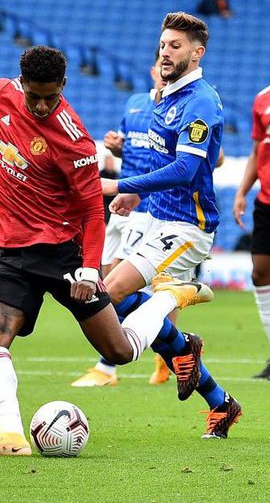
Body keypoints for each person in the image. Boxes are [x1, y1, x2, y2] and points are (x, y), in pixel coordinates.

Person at [0, 10, 215, 456]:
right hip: (12, 254)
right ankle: (9, 435)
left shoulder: (74, 141)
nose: (42, 106)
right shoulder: (4, 96)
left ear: (62, 87)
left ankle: (169, 297)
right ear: (21, 84)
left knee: (119, 352)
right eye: (35, 97)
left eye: (51, 97)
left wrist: (86, 269)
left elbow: (90, 211)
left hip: (62, 255)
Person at [101, 12, 240, 436]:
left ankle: (186, 296)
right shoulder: (166, 96)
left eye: (175, 46)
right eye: (163, 44)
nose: (165, 52)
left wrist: (117, 183)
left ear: (197, 54)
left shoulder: (199, 101)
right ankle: (218, 398)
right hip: (160, 220)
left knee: (109, 300)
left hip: (188, 229)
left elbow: (184, 170)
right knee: (109, 297)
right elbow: (164, 164)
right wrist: (136, 192)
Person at [75, 52, 171, 387]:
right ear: (152, 69)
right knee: (106, 277)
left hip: (148, 207)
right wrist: (116, 148)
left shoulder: (175, 110)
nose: (163, 70)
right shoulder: (134, 104)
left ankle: (107, 368)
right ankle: (171, 352)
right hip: (121, 206)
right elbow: (132, 152)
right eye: (160, 64)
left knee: (113, 283)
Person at [233, 34, 270, 380]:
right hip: (267, 202)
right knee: (261, 274)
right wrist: (241, 192)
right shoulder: (262, 100)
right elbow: (256, 151)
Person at [99, 154, 119, 224]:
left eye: (111, 162)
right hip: (103, 203)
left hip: (114, 202)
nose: (109, 164)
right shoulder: (100, 175)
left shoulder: (117, 175)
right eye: (108, 162)